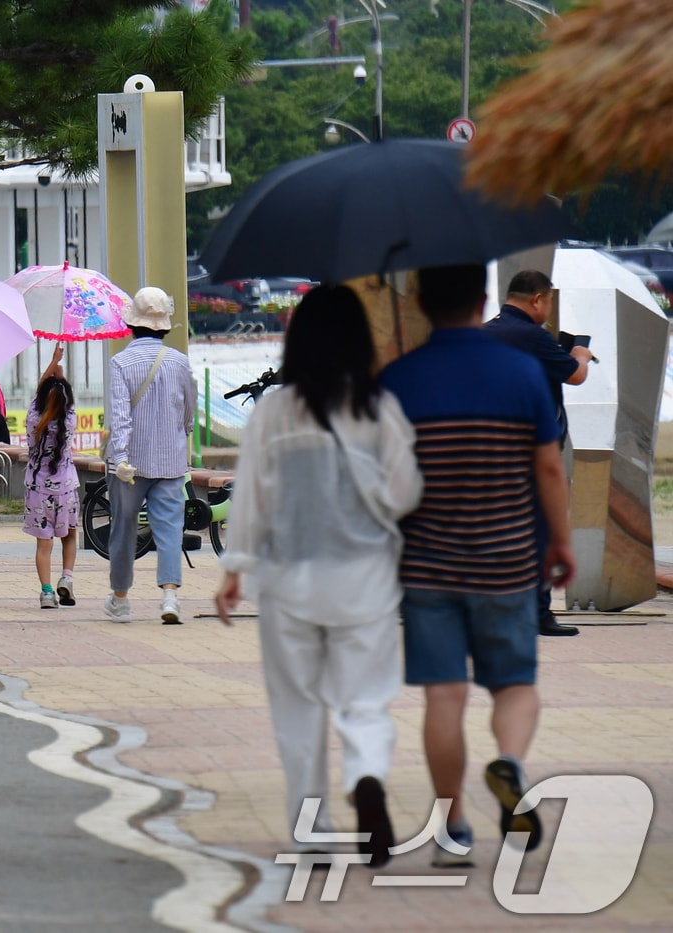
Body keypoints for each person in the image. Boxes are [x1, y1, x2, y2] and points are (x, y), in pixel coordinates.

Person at [215, 285, 424, 867]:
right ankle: (366, 777)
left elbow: (250, 495)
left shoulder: (277, 411)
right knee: (365, 700)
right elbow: (408, 490)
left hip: (289, 582)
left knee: (298, 708)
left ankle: (313, 831)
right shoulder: (379, 406)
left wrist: (234, 569)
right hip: (367, 579)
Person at [379, 264, 576, 868]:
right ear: (483, 299)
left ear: (420, 302)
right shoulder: (521, 371)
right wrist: (561, 542)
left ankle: (454, 829)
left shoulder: (399, 380)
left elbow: (384, 479)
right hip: (509, 559)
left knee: (445, 695)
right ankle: (510, 764)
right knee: (515, 685)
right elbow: (547, 467)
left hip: (428, 564)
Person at [484, 269, 593, 637]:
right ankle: (539, 614)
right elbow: (575, 375)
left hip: (493, 448)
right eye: (548, 301)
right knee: (540, 531)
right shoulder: (534, 336)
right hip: (534, 449)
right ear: (537, 300)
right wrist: (579, 353)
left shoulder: (486, 332)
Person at [102, 286, 196, 625]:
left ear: (133, 324)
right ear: (164, 325)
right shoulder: (180, 362)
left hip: (130, 465)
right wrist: (178, 438)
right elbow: (189, 412)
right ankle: (170, 596)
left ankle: (121, 598)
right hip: (170, 461)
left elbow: (119, 417)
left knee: (123, 528)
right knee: (170, 528)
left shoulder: (120, 363)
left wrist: (121, 457)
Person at [23, 344, 79, 610]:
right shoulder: (69, 421)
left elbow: (39, 393)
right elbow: (61, 396)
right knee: (69, 536)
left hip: (38, 490)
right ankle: (66, 578)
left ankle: (46, 592)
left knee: (43, 545)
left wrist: (52, 363)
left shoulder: (34, 420)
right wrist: (61, 372)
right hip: (66, 489)